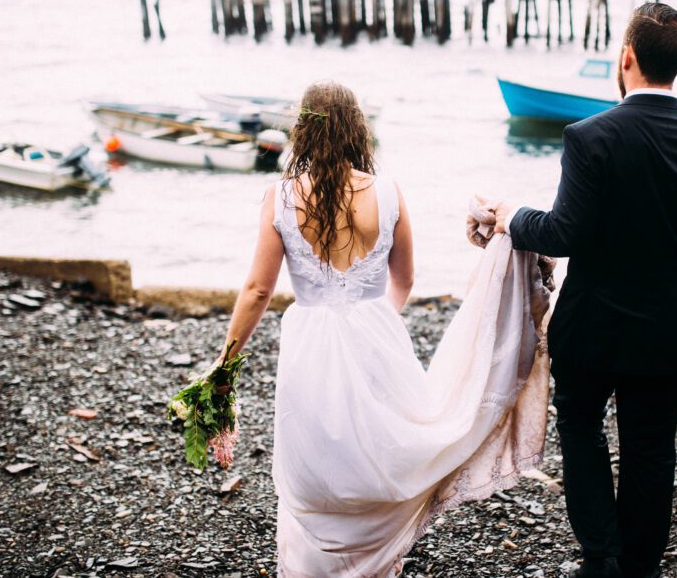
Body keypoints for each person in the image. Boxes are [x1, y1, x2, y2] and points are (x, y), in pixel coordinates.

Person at [216, 81, 553, 577]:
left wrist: (223, 365)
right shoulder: (389, 192)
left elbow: (257, 292)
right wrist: (375, 320)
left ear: (303, 130)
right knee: (384, 445)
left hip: (310, 336)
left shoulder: (280, 196)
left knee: (313, 449)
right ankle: (376, 558)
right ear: (358, 130)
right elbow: (405, 278)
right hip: (377, 327)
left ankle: (315, 563)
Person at [486, 3, 677, 578]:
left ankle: (601, 555)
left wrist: (511, 216)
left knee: (580, 424)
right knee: (652, 447)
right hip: (673, 328)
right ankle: (642, 564)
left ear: (626, 57)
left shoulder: (589, 136)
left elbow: (564, 231)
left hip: (595, 326)